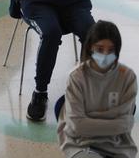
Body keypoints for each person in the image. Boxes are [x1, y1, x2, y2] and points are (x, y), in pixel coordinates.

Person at [57, 20, 137, 158]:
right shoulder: (76, 77)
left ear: (117, 50)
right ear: (90, 48)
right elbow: (77, 126)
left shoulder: (128, 77)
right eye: (100, 49)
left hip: (117, 144)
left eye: (111, 50)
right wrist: (111, 120)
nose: (105, 55)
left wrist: (89, 119)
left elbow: (125, 125)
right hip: (79, 143)